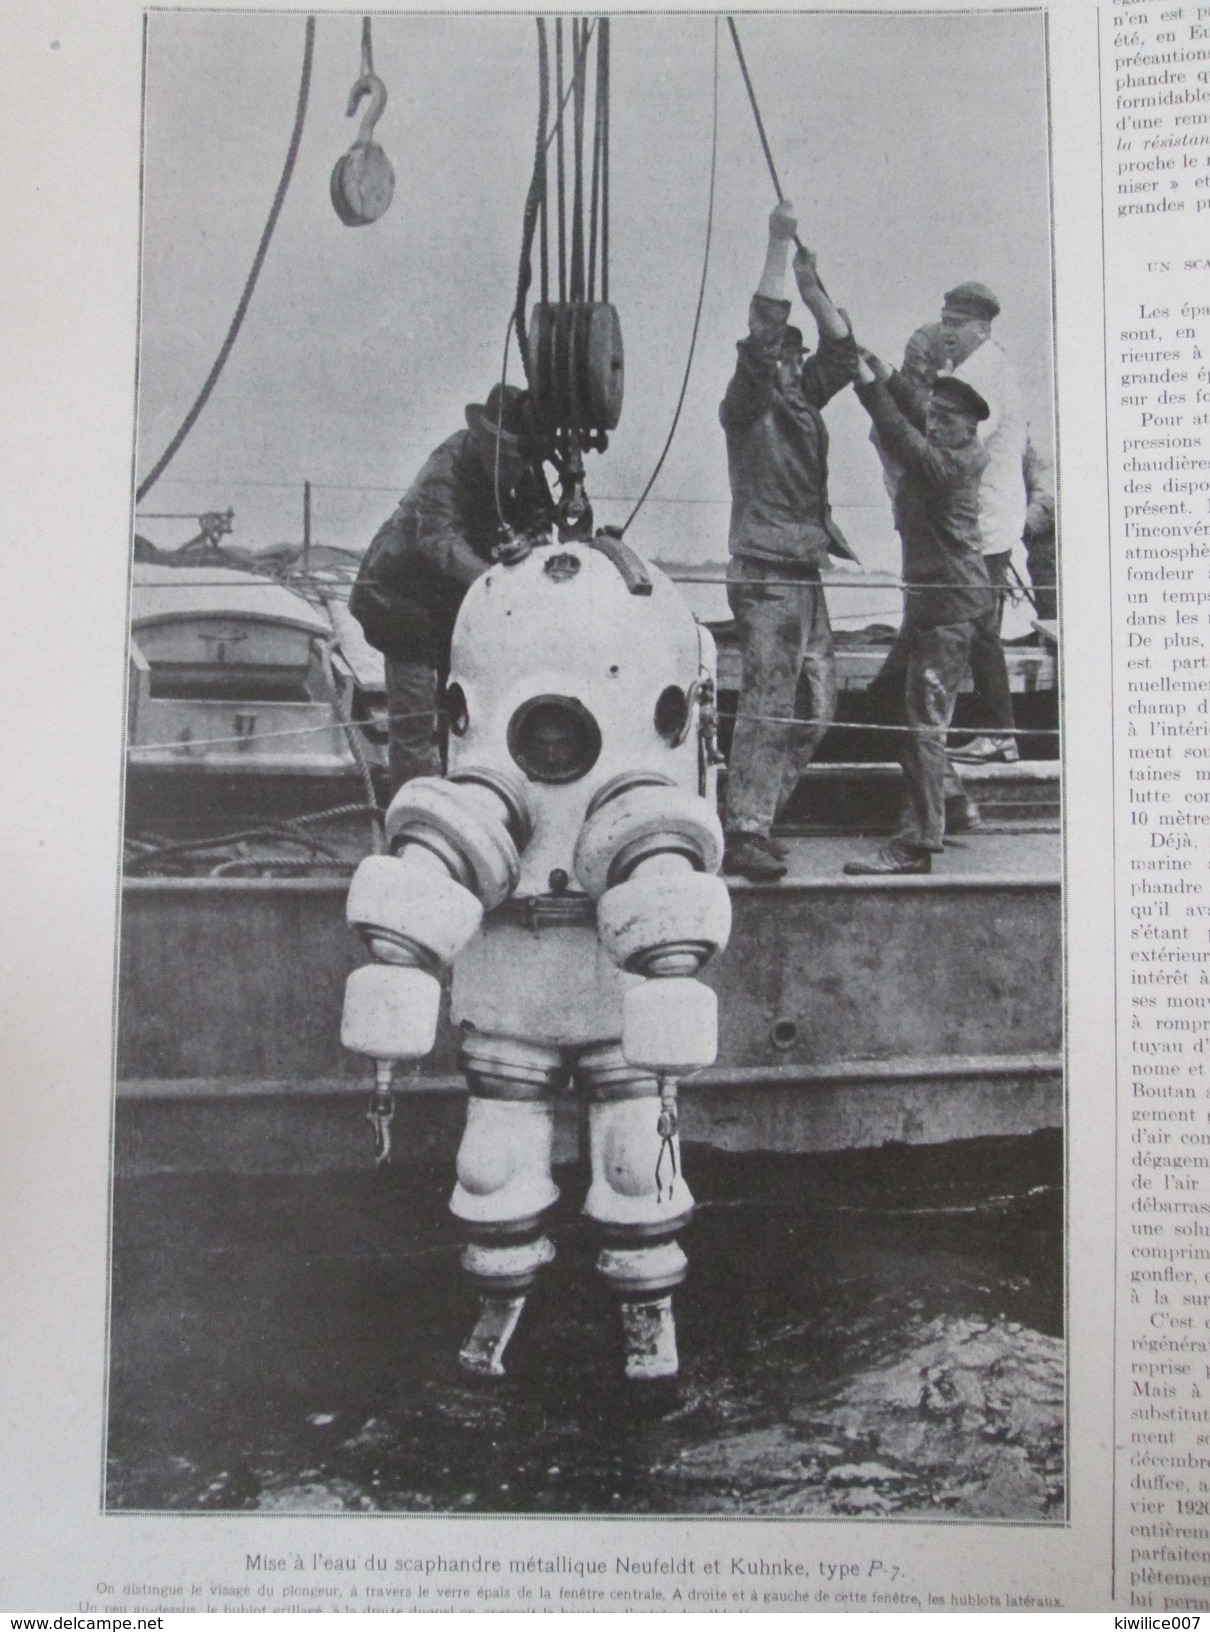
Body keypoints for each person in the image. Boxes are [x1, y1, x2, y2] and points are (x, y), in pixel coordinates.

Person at [718, 201, 859, 882]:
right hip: (766, 570)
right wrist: (775, 247)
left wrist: (812, 287)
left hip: (803, 566)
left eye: (797, 359)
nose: (793, 367)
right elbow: (762, 332)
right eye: (784, 358)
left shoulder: (801, 399)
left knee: (818, 702)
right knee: (770, 699)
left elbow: (845, 354)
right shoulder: (745, 407)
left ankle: (757, 813)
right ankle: (746, 829)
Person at [349, 384, 554, 793]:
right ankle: (411, 821)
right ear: (484, 442)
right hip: (400, 601)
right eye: (510, 461)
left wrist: (530, 544)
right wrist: (497, 576)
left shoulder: (522, 469)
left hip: (454, 606)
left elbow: (540, 522)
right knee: (415, 727)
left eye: (523, 462)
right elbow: (439, 541)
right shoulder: (445, 468)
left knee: (464, 716)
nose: (517, 472)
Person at [844, 357, 996, 876]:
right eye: (935, 417)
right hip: (930, 606)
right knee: (888, 698)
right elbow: (912, 407)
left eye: (948, 421)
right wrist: (873, 364)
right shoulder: (948, 444)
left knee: (923, 724)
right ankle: (951, 800)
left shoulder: (950, 465)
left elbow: (898, 430)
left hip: (949, 612)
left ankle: (917, 843)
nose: (936, 425)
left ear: (971, 427)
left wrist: (867, 385)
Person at [878, 284, 1029, 767]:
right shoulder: (973, 369)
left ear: (982, 329)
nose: (947, 332)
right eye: (943, 321)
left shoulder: (984, 373)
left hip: (981, 523)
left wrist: (884, 405)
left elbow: (948, 451)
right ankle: (993, 733)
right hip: (975, 520)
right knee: (974, 626)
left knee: (978, 627)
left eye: (957, 324)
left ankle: (998, 734)